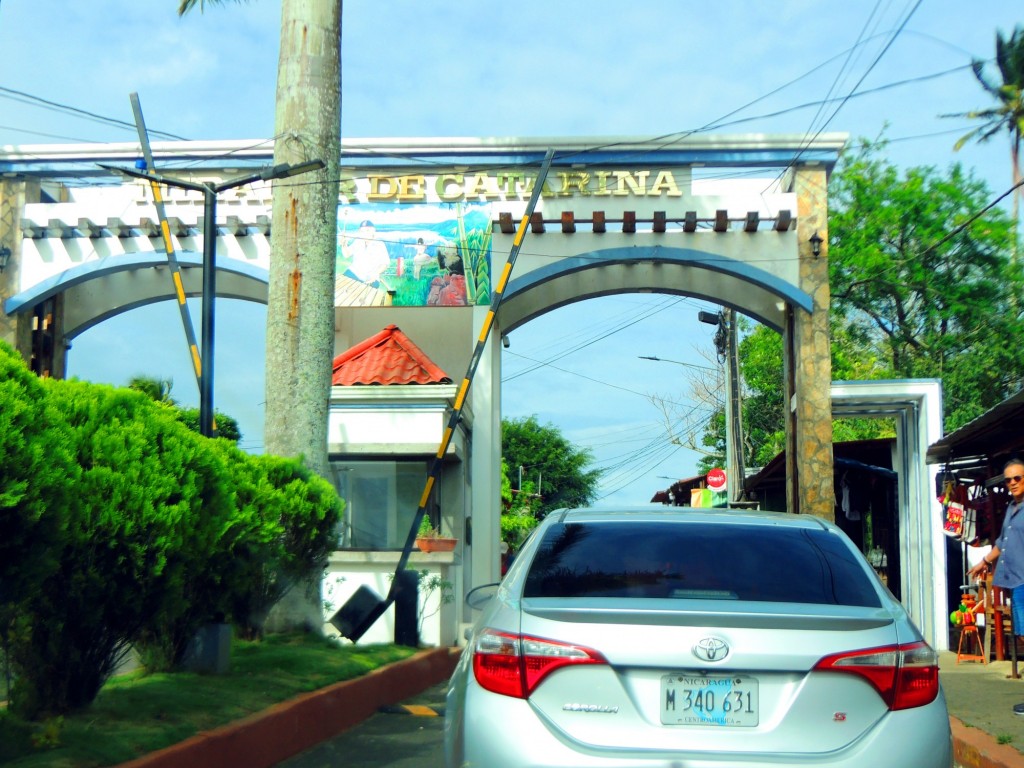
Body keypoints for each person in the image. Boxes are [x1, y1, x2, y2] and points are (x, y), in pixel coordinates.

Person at [968, 457, 1024, 715]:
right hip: (1015, 581)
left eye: (1017, 478)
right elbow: (1001, 543)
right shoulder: (1012, 510)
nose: (1012, 483)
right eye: (1008, 480)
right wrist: (982, 563)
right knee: (1022, 636)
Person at [341, 220, 391, 288]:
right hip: (354, 273)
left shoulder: (380, 244)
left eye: (368, 230)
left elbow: (385, 263)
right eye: (362, 231)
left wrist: (375, 274)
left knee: (366, 296)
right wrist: (344, 245)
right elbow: (346, 254)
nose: (365, 233)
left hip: (370, 277)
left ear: (373, 231)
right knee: (340, 288)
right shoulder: (358, 241)